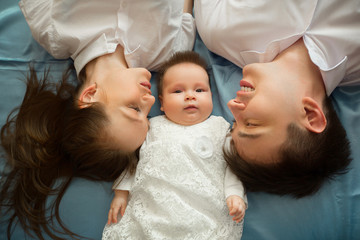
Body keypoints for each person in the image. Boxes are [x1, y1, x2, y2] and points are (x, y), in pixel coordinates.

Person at [0, 1, 195, 239]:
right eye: (146, 116)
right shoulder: (172, 53)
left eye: (134, 108)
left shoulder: (53, 32)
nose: (151, 101)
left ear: (89, 95)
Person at [194, 0, 360, 198]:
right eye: (252, 124)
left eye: (234, 123)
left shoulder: (219, 32)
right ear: (310, 114)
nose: (232, 105)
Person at [102, 51, 247, 240]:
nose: (190, 96)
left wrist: (235, 194)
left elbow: (233, 164)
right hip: (155, 207)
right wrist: (121, 193)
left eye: (199, 90)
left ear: (211, 95)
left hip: (204, 211)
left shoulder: (221, 128)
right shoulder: (151, 126)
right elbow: (134, 159)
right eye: (178, 91)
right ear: (161, 102)